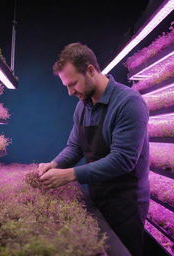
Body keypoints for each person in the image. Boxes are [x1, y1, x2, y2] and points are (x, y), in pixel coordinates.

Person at [39, 42, 150, 256]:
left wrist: (70, 174)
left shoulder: (128, 103)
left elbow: (123, 159)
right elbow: (75, 146)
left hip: (126, 202)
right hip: (98, 194)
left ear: (90, 70)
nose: (70, 92)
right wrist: (55, 164)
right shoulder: (83, 105)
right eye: (66, 86)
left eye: (74, 84)